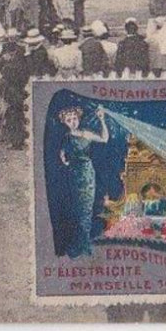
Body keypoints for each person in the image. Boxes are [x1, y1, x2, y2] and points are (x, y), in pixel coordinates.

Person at [58, 105, 109, 257]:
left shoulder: (86, 134)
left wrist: (102, 120)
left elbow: (104, 138)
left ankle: (85, 245)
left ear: (78, 119)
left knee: (86, 209)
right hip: (74, 175)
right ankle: (78, 244)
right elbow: (62, 153)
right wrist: (64, 160)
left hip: (86, 174)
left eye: (74, 119)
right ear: (65, 122)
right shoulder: (67, 137)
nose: (73, 122)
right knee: (76, 210)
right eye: (69, 120)